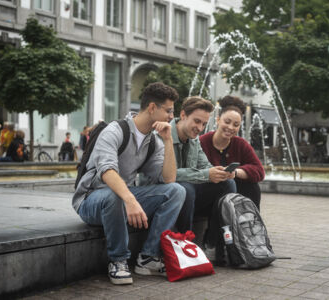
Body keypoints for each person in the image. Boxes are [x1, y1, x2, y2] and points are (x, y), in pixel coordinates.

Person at [72, 82, 185, 285]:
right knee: (114, 194)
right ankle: (118, 260)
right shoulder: (115, 131)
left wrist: (168, 141)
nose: (171, 117)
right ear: (152, 108)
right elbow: (107, 171)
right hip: (91, 201)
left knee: (176, 191)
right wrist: (130, 199)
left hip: (122, 198)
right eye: (168, 111)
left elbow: (168, 179)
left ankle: (148, 257)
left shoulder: (154, 141)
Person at [169, 96, 236, 260]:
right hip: (166, 192)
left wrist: (219, 171)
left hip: (189, 197)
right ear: (183, 115)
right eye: (197, 121)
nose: (200, 128)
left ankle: (213, 242)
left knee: (228, 183)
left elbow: (204, 165)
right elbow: (168, 175)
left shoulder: (194, 140)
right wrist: (206, 174)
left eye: (204, 124)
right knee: (186, 188)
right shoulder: (164, 135)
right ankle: (186, 245)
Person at [200, 96, 265, 209]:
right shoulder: (202, 142)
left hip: (233, 193)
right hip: (207, 190)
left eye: (236, 125)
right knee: (226, 185)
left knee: (252, 186)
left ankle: (251, 223)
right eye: (227, 122)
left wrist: (235, 172)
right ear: (218, 119)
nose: (230, 127)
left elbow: (259, 171)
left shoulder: (240, 144)